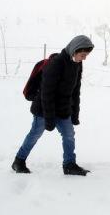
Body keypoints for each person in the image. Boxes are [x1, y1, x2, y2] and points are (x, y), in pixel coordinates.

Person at [12, 35, 94, 176]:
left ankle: (69, 165)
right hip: (44, 108)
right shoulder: (55, 64)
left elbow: (76, 91)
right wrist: (49, 118)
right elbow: (46, 93)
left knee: (69, 135)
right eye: (83, 55)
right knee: (34, 135)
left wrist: (75, 113)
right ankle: (18, 161)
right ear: (75, 50)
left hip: (63, 109)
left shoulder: (77, 64)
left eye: (86, 55)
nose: (84, 58)